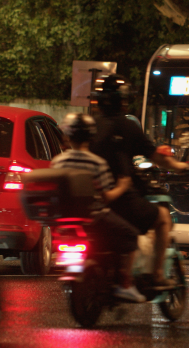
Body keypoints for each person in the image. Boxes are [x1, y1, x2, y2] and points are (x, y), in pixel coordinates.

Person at [89, 75, 188, 289]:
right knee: (162, 217)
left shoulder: (90, 126)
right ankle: (158, 274)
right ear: (122, 100)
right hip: (120, 198)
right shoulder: (127, 126)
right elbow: (156, 157)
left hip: (91, 199)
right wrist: (181, 166)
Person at [51, 113, 145, 303]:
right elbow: (106, 197)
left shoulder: (58, 162)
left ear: (67, 137)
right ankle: (125, 284)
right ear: (91, 137)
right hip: (94, 219)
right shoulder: (97, 163)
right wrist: (123, 186)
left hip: (64, 220)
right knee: (131, 235)